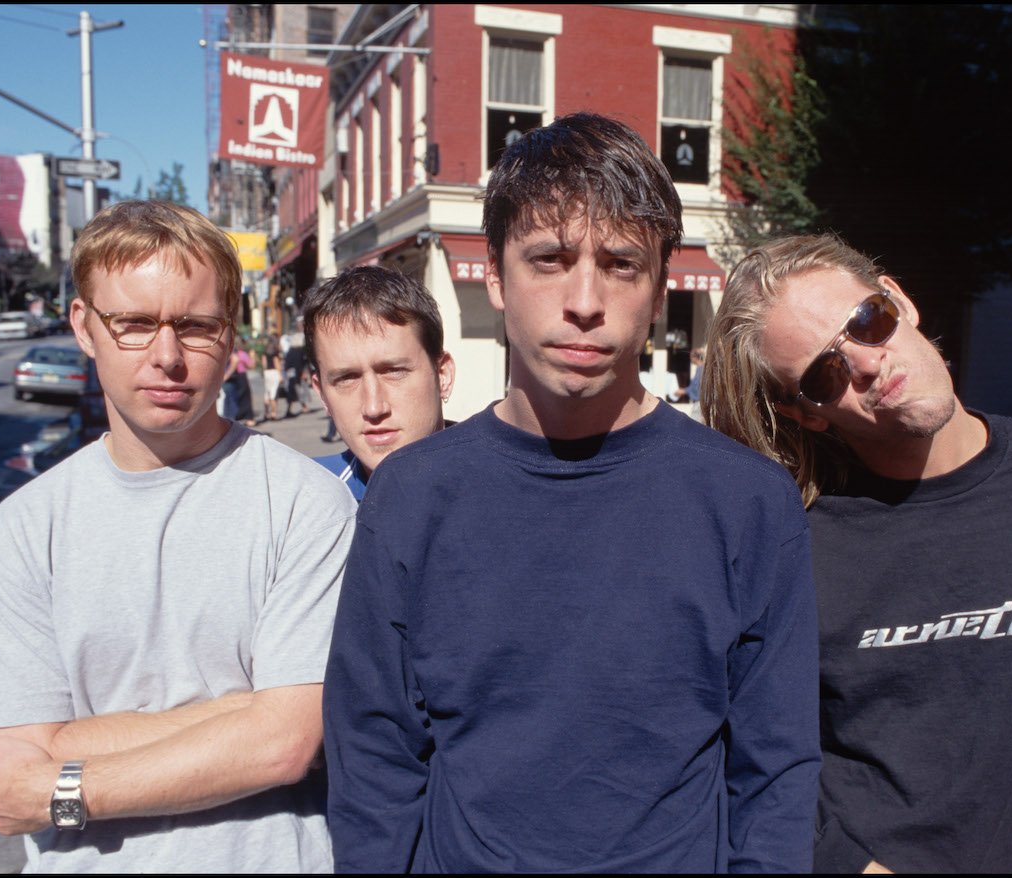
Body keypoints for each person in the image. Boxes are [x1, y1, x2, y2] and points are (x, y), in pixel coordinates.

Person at [323, 113, 820, 873]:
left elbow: (777, 772)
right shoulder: (412, 499)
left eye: (621, 264)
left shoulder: (749, 502)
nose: (584, 299)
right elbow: (373, 761)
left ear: (658, 290)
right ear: (494, 277)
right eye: (549, 259)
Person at [700, 233, 1012, 873]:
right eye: (824, 373)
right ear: (807, 412)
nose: (867, 364)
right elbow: (751, 746)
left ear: (898, 298)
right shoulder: (793, 536)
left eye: (869, 321)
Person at [0, 200, 358, 872]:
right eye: (135, 325)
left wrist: (66, 783)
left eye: (196, 326)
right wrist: (244, 711)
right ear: (84, 326)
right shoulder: (21, 533)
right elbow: (11, 770)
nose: (167, 356)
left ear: (231, 334)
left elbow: (285, 744)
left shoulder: (307, 505)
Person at [303, 265, 456, 500]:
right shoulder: (301, 501)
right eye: (347, 378)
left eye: (394, 371)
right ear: (322, 393)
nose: (374, 408)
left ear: (443, 375)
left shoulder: (509, 490)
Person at [283, 325, 311, 417]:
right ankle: (304, 407)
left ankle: (292, 409)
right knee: (300, 390)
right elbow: (300, 363)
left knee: (293, 391)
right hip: (297, 373)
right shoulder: (300, 350)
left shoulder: (290, 351)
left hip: (290, 373)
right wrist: (302, 373)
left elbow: (286, 363)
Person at [262, 333, 283, 421]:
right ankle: (273, 414)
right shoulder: (275, 351)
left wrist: (264, 371)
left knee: (267, 393)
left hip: (267, 372)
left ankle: (266, 413)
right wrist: (280, 375)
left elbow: (264, 363)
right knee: (273, 394)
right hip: (274, 372)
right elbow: (276, 363)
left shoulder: (265, 350)